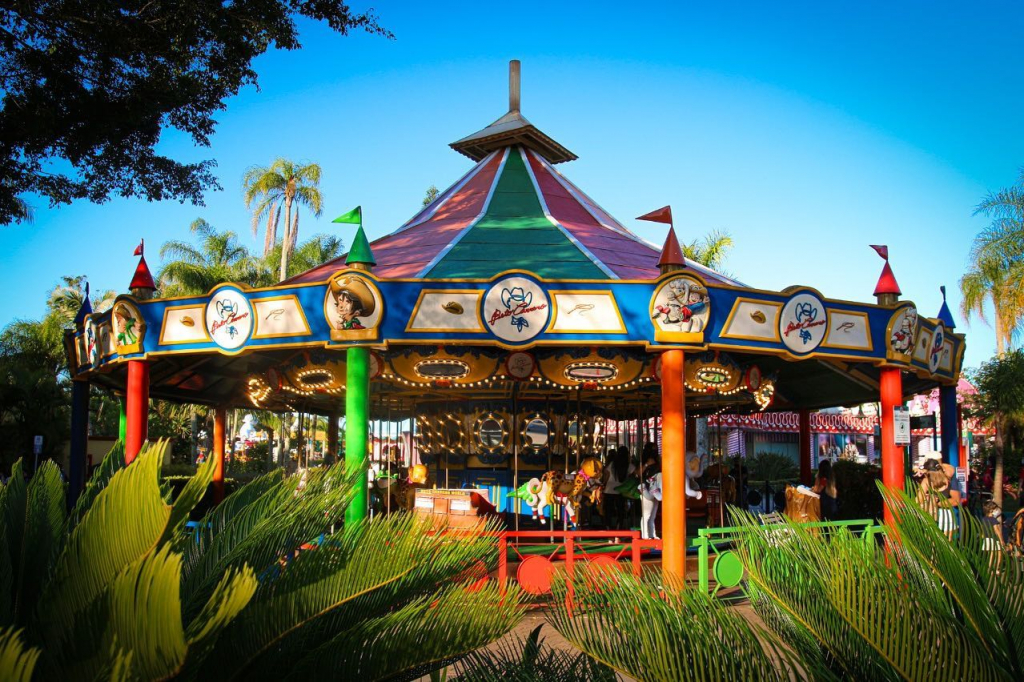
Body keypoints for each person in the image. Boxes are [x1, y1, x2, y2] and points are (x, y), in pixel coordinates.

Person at [603, 445, 633, 531]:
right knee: (620, 511)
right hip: (621, 490)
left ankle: (608, 529)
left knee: (608, 511)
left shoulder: (612, 463)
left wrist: (603, 484)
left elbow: (606, 474)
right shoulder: (628, 465)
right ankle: (618, 529)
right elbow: (637, 472)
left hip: (608, 490)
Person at [640, 452, 662, 540]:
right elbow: (638, 473)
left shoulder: (657, 467)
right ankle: (645, 535)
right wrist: (646, 464)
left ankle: (652, 534)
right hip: (647, 491)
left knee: (652, 516)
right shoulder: (647, 468)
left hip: (655, 491)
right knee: (647, 515)